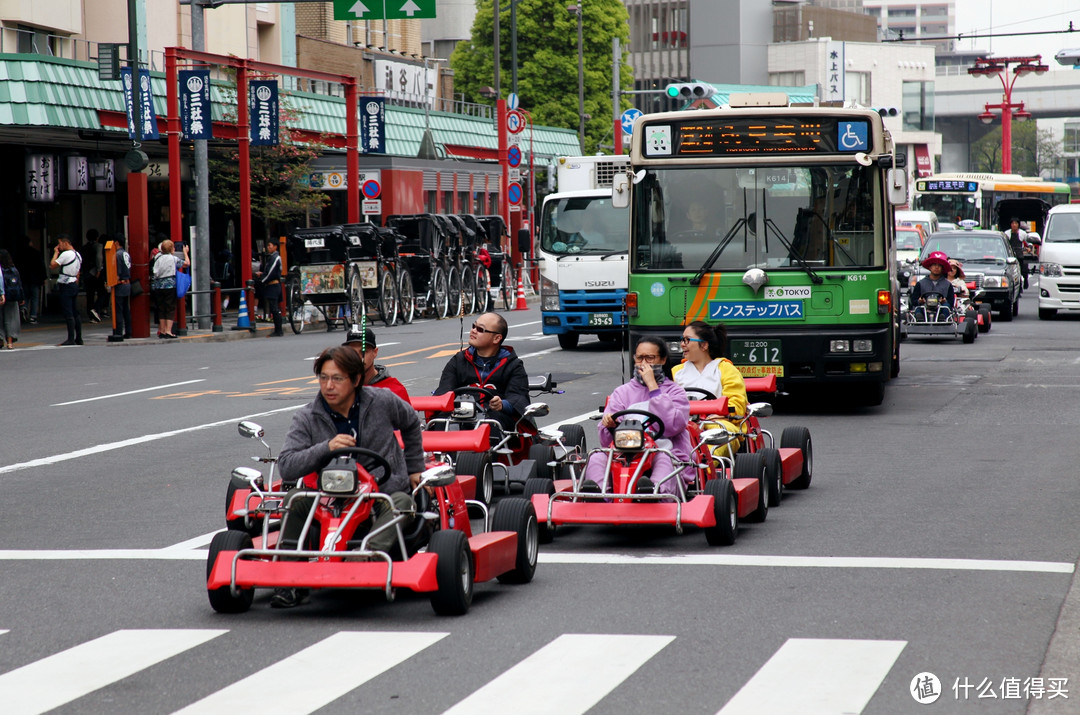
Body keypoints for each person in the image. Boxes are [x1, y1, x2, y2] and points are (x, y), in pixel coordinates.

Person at [274, 346, 424, 608]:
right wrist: (327, 448)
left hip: (381, 492)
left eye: (337, 378)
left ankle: (366, 559)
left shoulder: (383, 401)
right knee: (295, 498)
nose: (329, 386)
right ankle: (290, 580)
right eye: (323, 377)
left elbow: (412, 423)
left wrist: (414, 468)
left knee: (403, 502)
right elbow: (286, 466)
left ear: (356, 380)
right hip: (330, 498)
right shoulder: (307, 417)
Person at [581, 336, 692, 496]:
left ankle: (655, 494)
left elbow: (671, 427)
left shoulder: (675, 391)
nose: (644, 364)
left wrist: (653, 386)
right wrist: (609, 425)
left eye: (650, 358)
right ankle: (599, 496)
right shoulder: (622, 392)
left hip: (663, 450)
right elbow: (606, 442)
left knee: (663, 459)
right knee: (597, 457)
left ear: (662, 360)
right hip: (625, 452)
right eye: (640, 358)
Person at [434, 312, 529, 436]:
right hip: (460, 411)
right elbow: (444, 390)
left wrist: (502, 404)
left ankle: (488, 455)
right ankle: (440, 455)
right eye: (474, 326)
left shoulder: (513, 365)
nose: (473, 331)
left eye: (480, 329)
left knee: (492, 424)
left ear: (497, 338)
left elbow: (519, 398)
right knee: (441, 421)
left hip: (493, 415)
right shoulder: (459, 360)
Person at [671, 321, 747, 454]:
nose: (682, 344)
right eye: (682, 340)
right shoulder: (676, 371)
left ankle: (705, 467)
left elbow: (737, 403)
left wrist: (719, 414)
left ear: (704, 345)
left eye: (687, 340)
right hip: (684, 425)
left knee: (718, 441)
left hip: (719, 424)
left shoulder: (726, 369)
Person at [343, 326, 410, 402]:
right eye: (352, 352)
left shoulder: (395, 390)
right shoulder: (340, 388)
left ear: (375, 352)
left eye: (363, 352)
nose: (358, 358)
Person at [151, 239, 189, 339]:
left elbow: (155, 272)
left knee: (161, 308)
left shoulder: (158, 258)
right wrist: (185, 252)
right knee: (170, 308)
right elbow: (186, 264)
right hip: (170, 286)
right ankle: (168, 331)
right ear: (171, 248)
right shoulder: (173, 259)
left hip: (158, 286)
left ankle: (162, 331)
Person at [50, 234, 83, 346]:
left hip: (66, 284)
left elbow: (53, 265)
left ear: (65, 242)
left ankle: (71, 338)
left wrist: (55, 253)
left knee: (68, 311)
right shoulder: (77, 254)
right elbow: (78, 272)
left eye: (60, 243)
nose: (59, 246)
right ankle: (79, 337)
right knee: (75, 311)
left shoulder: (66, 254)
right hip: (74, 283)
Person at [909, 251, 955, 320]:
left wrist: (944, 301)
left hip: (941, 308)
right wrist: (919, 301)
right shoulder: (920, 283)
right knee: (918, 308)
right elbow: (913, 301)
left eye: (939, 265)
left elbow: (951, 303)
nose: (936, 267)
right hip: (924, 308)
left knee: (946, 307)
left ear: (942, 268)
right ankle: (919, 321)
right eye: (934, 265)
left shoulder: (948, 285)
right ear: (930, 267)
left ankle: (943, 320)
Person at [14, 236, 46, 324]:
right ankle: (33, 316)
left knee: (25, 296)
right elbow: (41, 266)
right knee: (35, 297)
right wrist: (43, 278)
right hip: (34, 279)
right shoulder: (35, 253)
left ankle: (23, 308)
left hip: (23, 278)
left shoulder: (18, 253)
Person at [256, 239, 283, 337]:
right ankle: (278, 330)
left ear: (275, 246)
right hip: (271, 285)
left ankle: (278, 330)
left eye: (270, 245)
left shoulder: (276, 257)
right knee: (274, 308)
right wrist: (262, 274)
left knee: (275, 308)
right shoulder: (271, 257)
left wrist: (262, 280)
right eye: (268, 246)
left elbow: (271, 272)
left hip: (274, 285)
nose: (268, 247)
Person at [0, 250, 23, 350]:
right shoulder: (13, 269)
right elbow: (19, 284)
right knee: (11, 319)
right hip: (12, 296)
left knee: (0, 319)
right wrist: (21, 297)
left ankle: (0, 339)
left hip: (1, 296)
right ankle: (10, 342)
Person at [112, 234, 133, 340]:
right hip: (127, 283)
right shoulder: (126, 254)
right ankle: (128, 331)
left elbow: (117, 271)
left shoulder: (117, 255)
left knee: (118, 309)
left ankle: (118, 331)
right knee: (126, 309)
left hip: (120, 284)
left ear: (116, 243)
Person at [81, 229, 103, 323]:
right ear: (97, 237)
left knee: (89, 295)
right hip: (94, 273)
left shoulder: (84, 247)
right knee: (103, 292)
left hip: (86, 274)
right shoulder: (98, 246)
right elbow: (99, 257)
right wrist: (98, 270)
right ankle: (96, 310)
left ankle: (91, 315)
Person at [1005, 218, 1029, 289]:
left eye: (1016, 223)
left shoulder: (1023, 233)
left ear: (1018, 225)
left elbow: (1029, 242)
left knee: (1024, 269)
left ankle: (1025, 281)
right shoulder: (1006, 233)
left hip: (1020, 255)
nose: (1014, 225)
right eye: (1012, 223)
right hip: (1010, 255)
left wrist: (1029, 247)